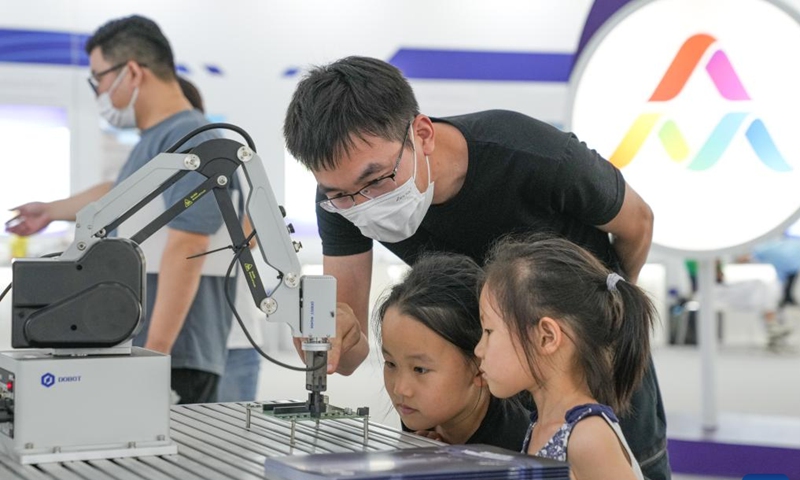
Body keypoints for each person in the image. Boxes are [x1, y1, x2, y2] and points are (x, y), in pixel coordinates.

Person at [283, 56, 668, 478]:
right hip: (491, 395)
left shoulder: (529, 154)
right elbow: (351, 344)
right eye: (341, 194)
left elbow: (638, 222)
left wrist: (607, 311)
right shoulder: (342, 201)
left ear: (422, 134)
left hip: (593, 373)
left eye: (376, 181)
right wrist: (331, 336)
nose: (362, 204)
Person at [6, 15, 237, 404]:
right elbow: (119, 192)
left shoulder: (192, 138)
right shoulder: (158, 139)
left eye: (98, 78)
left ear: (131, 72)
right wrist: (51, 210)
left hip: (177, 355)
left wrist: (154, 359)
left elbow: (188, 246)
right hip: (146, 349)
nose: (97, 91)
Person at [475, 236, 653, 479]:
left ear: (546, 337)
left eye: (488, 332)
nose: (478, 349)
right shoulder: (542, 426)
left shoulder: (588, 437)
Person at [374, 253, 530, 451]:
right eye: (390, 364)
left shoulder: (516, 450)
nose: (400, 389)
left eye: (420, 369)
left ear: (480, 367)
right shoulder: (422, 415)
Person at [176, 74, 262, 401]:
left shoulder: (225, 163)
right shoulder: (157, 172)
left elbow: (251, 233)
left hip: (234, 339)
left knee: (231, 443)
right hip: (187, 340)